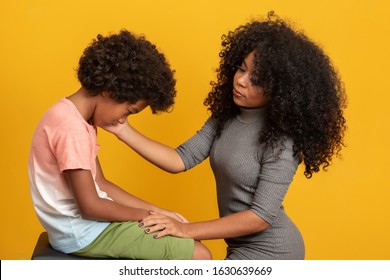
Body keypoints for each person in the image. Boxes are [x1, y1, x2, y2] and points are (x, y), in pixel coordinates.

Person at [104, 13, 347, 260]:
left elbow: (260, 217)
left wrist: (185, 229)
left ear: (280, 89)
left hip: (274, 252)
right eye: (241, 68)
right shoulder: (225, 117)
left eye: (256, 80)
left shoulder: (282, 142)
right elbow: (180, 159)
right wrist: (122, 129)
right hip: (239, 248)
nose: (240, 81)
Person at [28, 30, 211, 260]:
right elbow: (90, 206)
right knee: (199, 255)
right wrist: (146, 215)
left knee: (187, 239)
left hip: (83, 229)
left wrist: (158, 212)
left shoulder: (75, 118)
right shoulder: (71, 128)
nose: (123, 120)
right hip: (84, 233)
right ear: (110, 91)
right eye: (129, 111)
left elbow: (100, 184)